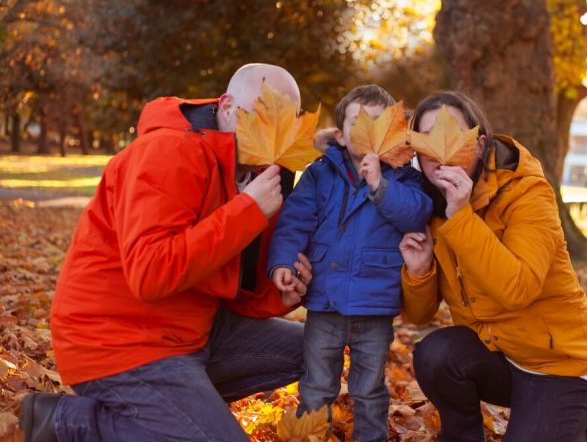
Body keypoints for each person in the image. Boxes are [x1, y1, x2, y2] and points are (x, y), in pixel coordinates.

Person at [20, 63, 313, 442]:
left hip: (194, 330)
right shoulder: (169, 150)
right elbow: (150, 273)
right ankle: (65, 422)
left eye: (284, 122)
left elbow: (231, 286)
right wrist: (248, 210)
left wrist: (281, 290)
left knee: (316, 349)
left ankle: (176, 412)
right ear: (226, 106)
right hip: (118, 339)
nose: (271, 132)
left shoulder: (260, 177)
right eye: (259, 113)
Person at [399, 91, 587, 442]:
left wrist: (462, 217)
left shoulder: (528, 193)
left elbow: (518, 288)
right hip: (498, 354)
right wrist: (420, 271)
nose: (440, 155)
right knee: (435, 354)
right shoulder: (432, 206)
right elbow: (421, 316)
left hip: (559, 364)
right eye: (427, 144)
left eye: (454, 139)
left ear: (480, 144)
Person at [268, 85, 433, 441]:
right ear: (341, 135)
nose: (367, 131)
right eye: (357, 124)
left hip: (374, 304)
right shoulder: (320, 173)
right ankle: (310, 435)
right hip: (325, 301)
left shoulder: (404, 176)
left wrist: (380, 185)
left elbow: (416, 214)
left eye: (377, 123)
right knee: (316, 383)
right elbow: (295, 220)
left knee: (369, 387)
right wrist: (282, 261)